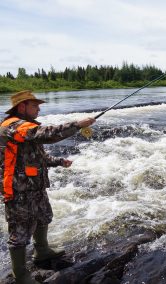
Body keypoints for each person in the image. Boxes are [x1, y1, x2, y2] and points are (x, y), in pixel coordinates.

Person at [0, 90, 95, 283]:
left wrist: (59, 161)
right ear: (22, 107)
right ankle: (21, 275)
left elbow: (37, 157)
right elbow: (48, 134)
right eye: (34, 105)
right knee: (19, 233)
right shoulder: (14, 127)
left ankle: (41, 251)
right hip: (18, 190)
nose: (38, 108)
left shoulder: (25, 127)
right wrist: (77, 124)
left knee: (43, 216)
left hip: (34, 186)